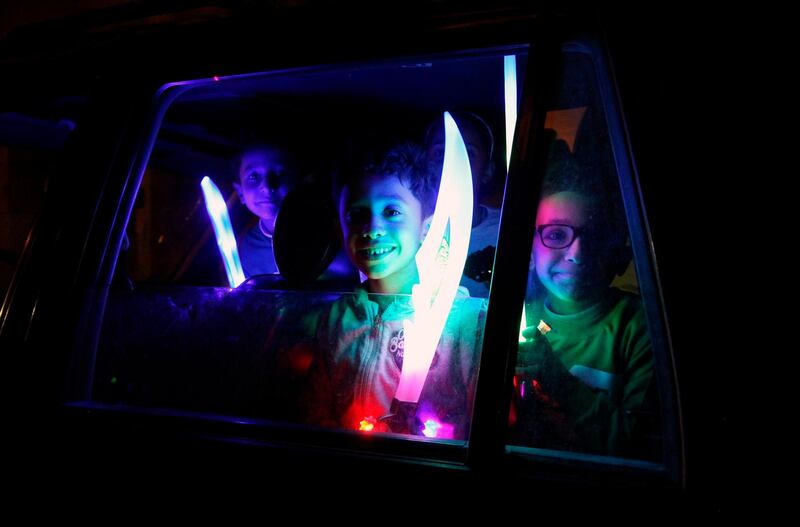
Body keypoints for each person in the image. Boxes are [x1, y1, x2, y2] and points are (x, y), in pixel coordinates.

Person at [304, 142, 486, 439]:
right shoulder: (337, 317)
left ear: (426, 228)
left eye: (392, 211)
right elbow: (315, 410)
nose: (372, 227)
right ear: (340, 229)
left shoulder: (464, 322)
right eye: (356, 214)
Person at [512, 140, 658, 458]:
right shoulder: (513, 317)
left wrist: (560, 382)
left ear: (615, 246)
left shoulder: (639, 328)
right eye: (555, 234)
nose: (577, 254)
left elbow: (639, 446)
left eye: (593, 236)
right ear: (530, 246)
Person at [424, 111, 500, 297]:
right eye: (440, 152)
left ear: (487, 171)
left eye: (468, 152)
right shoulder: (404, 230)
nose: (451, 161)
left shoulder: (507, 228)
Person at [231, 142, 299, 278]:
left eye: (279, 174)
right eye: (253, 177)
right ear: (240, 193)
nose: (267, 187)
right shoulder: (248, 249)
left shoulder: (324, 231)